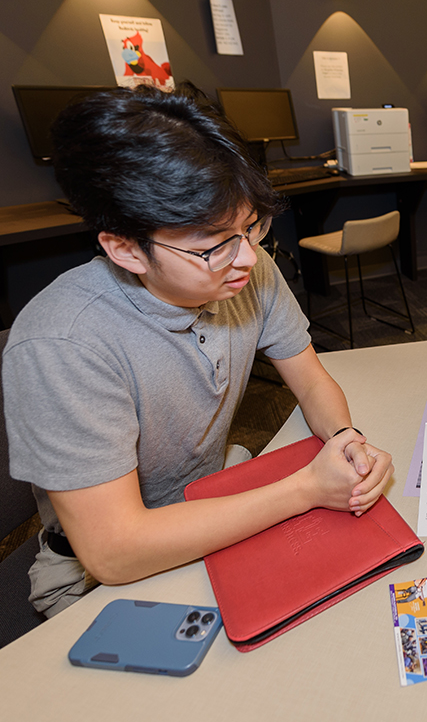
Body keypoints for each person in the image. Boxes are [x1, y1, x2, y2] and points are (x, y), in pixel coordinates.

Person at [3, 83, 394, 617]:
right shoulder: (63, 343)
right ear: (124, 247)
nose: (246, 259)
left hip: (217, 503)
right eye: (213, 245)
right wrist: (306, 489)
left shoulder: (248, 268)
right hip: (100, 574)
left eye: (252, 226)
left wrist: (345, 437)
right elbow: (116, 552)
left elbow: (310, 380)